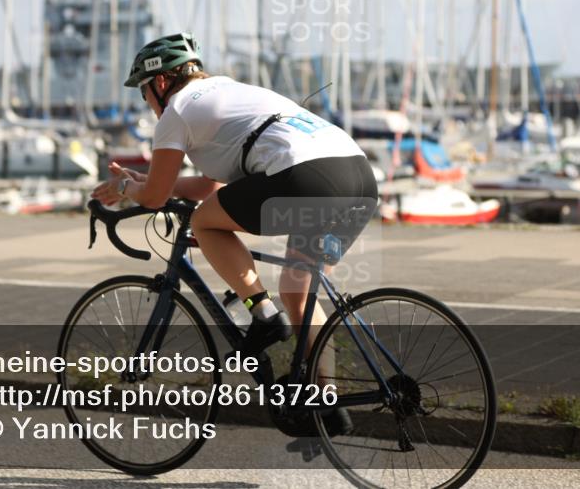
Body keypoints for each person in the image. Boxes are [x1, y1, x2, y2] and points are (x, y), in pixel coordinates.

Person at [91, 33, 377, 432]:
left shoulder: (177, 111)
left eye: (144, 96)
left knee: (204, 222)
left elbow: (156, 199)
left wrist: (127, 189)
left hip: (304, 178)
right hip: (356, 180)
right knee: (299, 286)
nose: (150, 108)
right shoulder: (232, 94)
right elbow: (208, 187)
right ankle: (323, 403)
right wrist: (147, 182)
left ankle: (262, 314)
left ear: (158, 84)